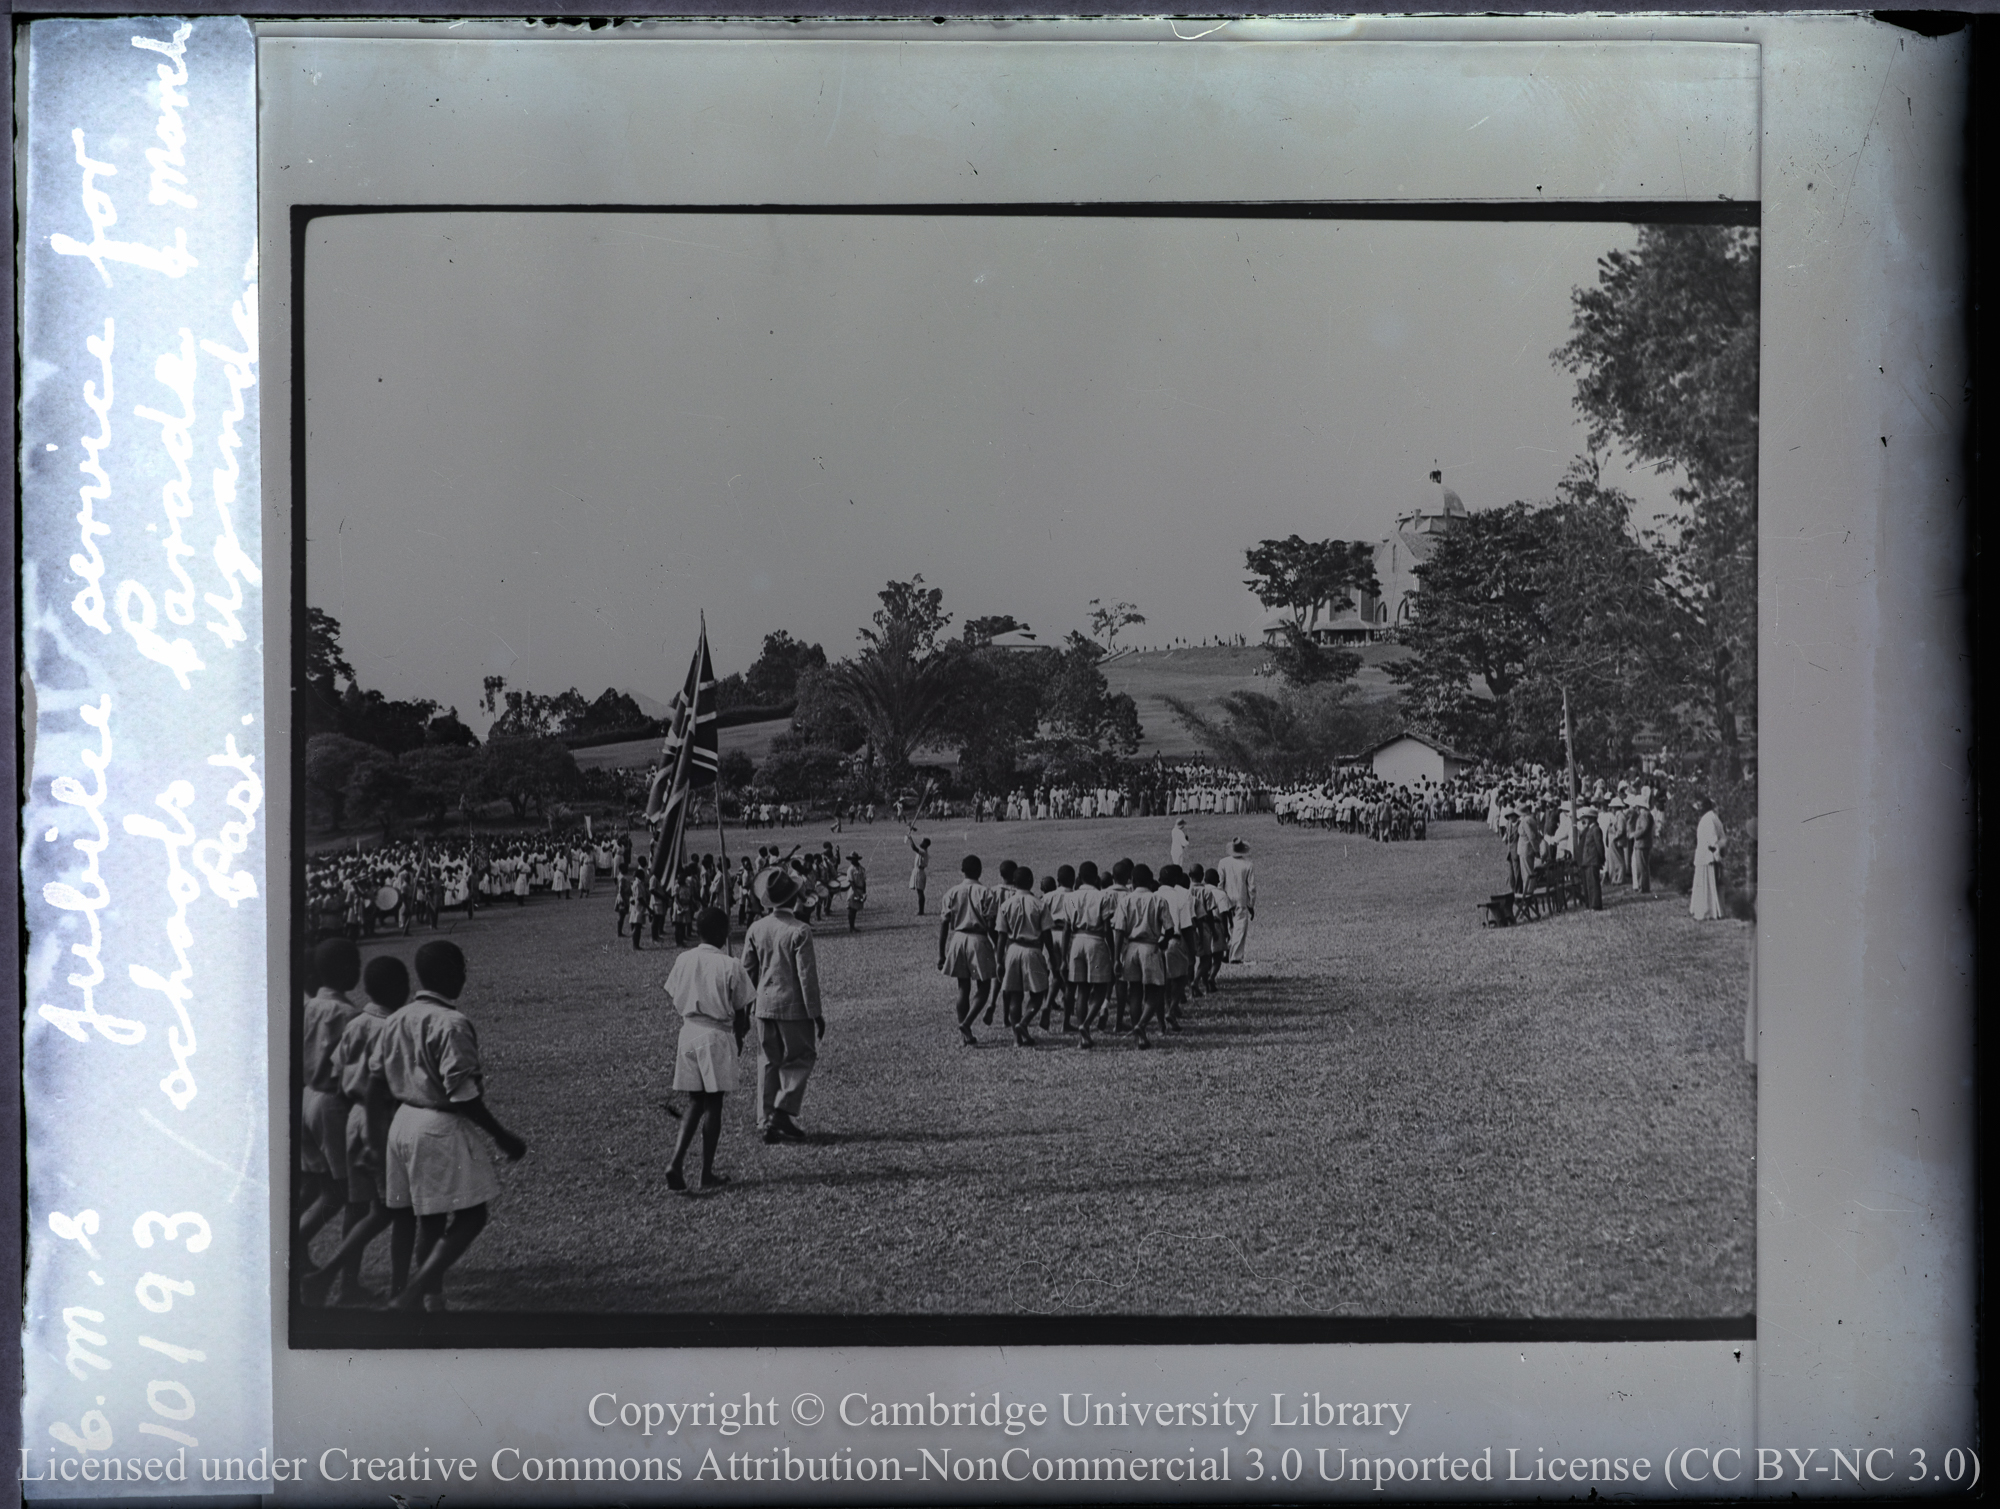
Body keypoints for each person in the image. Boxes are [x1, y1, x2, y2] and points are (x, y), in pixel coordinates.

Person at [378, 941, 528, 1312]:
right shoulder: (452, 1023)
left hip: (402, 1121)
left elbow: (381, 1076)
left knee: (429, 1217)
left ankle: (431, 1297)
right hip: (437, 1124)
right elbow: (462, 1093)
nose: (463, 976)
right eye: (460, 969)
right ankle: (413, 1293)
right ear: (448, 974)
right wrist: (502, 1136)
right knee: (471, 1215)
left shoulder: (397, 1017)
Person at [300, 954, 410, 1307]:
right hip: (371, 1114)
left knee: (353, 1201)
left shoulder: (355, 1021)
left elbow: (336, 1068)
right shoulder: (390, 1025)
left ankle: (342, 1280)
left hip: (340, 1111)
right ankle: (392, 1289)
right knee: (389, 1209)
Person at [662, 906, 754, 1191]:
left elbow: (675, 993)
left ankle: (675, 1162)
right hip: (716, 1033)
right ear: (725, 932)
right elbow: (741, 1012)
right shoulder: (731, 965)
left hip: (689, 1031)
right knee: (714, 1103)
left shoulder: (684, 959)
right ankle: (705, 1173)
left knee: (695, 1101)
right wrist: (738, 1041)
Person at [297, 938, 364, 1282]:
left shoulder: (307, 1007)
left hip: (306, 1096)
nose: (358, 971)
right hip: (331, 1104)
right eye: (354, 965)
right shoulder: (348, 1015)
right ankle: (347, 1281)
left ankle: (297, 1246)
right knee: (350, 1193)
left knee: (325, 1185)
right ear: (342, 972)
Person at [742, 868, 825, 1142]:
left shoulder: (756, 928)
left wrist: (743, 1008)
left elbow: (747, 971)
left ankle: (766, 1120)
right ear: (795, 898)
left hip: (763, 1006)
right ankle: (781, 1110)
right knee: (802, 1056)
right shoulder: (800, 930)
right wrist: (816, 1012)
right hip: (793, 1006)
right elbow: (806, 976)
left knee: (768, 1061)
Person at [937, 855, 999, 1045]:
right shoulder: (986, 893)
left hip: (958, 939)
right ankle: (967, 1023)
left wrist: (941, 953)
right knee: (985, 985)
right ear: (980, 871)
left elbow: (944, 925)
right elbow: (990, 925)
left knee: (963, 987)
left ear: (961, 871)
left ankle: (966, 1034)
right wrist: (998, 947)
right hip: (978, 940)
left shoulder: (952, 892)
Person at [995, 866, 1051, 1047]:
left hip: (1012, 950)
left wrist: (998, 960)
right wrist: (1054, 958)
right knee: (1038, 993)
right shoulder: (1039, 904)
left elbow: (1001, 936)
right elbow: (1047, 935)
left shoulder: (1006, 904)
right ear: (1031, 881)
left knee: (1014, 996)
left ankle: (1016, 1039)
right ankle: (1024, 1022)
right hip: (1032, 950)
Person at [1217, 839, 1256, 966]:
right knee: (1239, 928)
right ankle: (1235, 956)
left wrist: (1220, 899)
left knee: (1228, 927)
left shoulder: (1223, 862)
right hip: (1241, 900)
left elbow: (1220, 883)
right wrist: (1251, 904)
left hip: (1226, 899)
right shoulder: (1248, 864)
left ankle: (1226, 952)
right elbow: (1251, 887)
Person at [1690, 797, 1727, 920]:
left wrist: (1716, 854)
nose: (1699, 809)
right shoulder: (1711, 817)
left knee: (1707, 884)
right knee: (1707, 884)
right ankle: (1710, 910)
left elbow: (1713, 840)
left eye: (1700, 807)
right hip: (1705, 855)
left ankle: (1707, 911)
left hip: (1707, 855)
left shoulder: (1708, 819)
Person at [1575, 804, 1606, 911]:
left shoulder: (1596, 829)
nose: (1584, 820)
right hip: (1588, 860)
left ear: (1592, 819)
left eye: (1586, 818)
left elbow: (1599, 846)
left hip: (1593, 860)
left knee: (1593, 884)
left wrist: (1601, 859)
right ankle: (1592, 904)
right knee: (1590, 884)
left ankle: (1596, 905)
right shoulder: (1589, 829)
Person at [1624, 798, 1655, 894]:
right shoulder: (1644, 815)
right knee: (1641, 866)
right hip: (1641, 843)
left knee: (1642, 867)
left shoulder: (1645, 815)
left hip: (1642, 843)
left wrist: (1634, 834)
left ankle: (1644, 887)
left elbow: (1644, 829)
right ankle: (1643, 886)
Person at [907, 830, 932, 914]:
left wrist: (910, 838)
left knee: (920, 892)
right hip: (918, 871)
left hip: (919, 872)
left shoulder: (923, 852)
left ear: (926, 845)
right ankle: (921, 910)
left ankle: (921, 911)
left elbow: (914, 848)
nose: (921, 843)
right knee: (919, 891)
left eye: (923, 842)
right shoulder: (923, 852)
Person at [840, 853, 867, 932]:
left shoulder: (862, 869)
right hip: (853, 890)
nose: (852, 861)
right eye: (851, 859)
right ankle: (851, 927)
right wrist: (856, 894)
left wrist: (864, 893)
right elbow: (851, 883)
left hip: (860, 890)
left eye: (853, 859)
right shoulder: (850, 869)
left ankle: (853, 926)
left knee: (855, 909)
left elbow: (864, 881)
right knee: (851, 909)